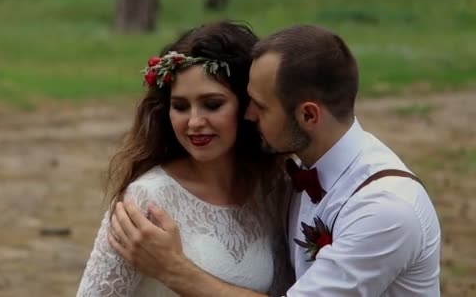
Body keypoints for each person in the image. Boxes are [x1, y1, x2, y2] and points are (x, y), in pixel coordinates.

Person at [109, 24, 441, 296]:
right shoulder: (287, 179)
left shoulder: (385, 209)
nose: (248, 115)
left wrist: (172, 269)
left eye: (261, 106)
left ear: (308, 115)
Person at [76, 21, 294, 296]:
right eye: (180, 106)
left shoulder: (272, 189)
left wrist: (175, 269)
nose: (194, 122)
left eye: (212, 105)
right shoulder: (147, 199)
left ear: (247, 106)